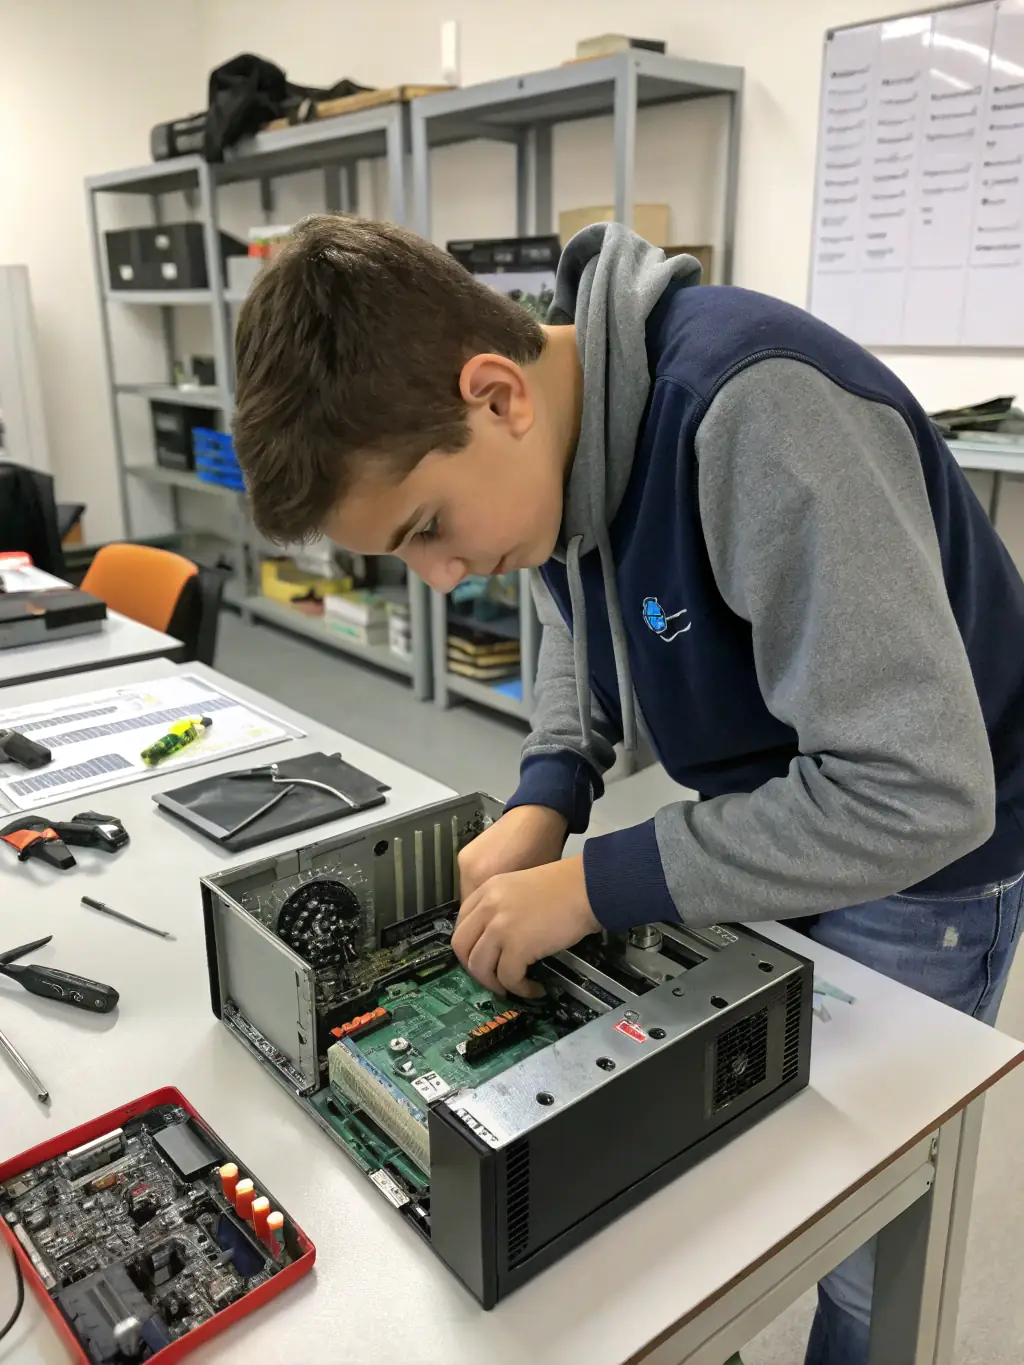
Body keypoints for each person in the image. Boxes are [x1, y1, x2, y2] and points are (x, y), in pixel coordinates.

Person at [232, 214, 1024, 1365]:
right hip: (781, 809)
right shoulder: (563, 434)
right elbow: (572, 600)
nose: (443, 579)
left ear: (496, 394)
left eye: (429, 531)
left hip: (925, 854)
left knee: (863, 1228)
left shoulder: (753, 413)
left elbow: (916, 793)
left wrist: (600, 880)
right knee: (733, 1170)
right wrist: (546, 793)